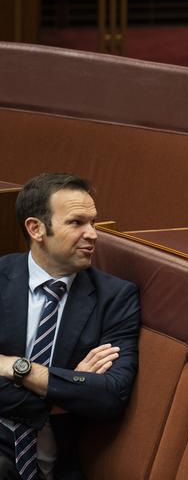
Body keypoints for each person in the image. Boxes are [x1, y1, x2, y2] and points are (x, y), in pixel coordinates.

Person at [0, 173, 140, 479]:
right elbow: (87, 392)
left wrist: (19, 369)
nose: (93, 234)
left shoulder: (116, 297)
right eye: (77, 223)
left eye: (93, 222)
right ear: (36, 229)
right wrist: (67, 392)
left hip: (55, 463)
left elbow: (110, 396)